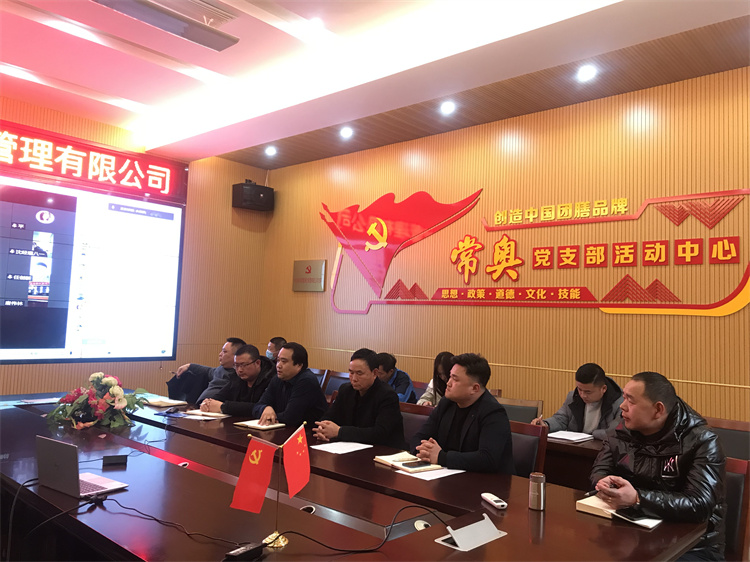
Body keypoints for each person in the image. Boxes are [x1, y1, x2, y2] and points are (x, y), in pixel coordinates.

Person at [591, 372, 725, 560]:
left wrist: (638, 499)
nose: (622, 405)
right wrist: (603, 482)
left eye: (631, 400)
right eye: (624, 397)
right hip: (633, 533)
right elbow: (600, 469)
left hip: (692, 545)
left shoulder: (702, 441)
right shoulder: (622, 430)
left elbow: (700, 504)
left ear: (658, 410)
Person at [411, 353, 514, 473]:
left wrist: (441, 457)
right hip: (446, 475)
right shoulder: (446, 403)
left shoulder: (493, 413)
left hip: (487, 481)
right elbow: (419, 437)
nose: (448, 383)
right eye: (450, 376)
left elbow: (487, 458)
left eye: (455, 379)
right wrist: (424, 451)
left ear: (474, 388)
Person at [313, 351, 406, 448]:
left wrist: (340, 432)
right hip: (348, 447)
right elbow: (329, 417)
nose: (354, 378)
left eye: (359, 373)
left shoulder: (387, 395)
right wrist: (322, 429)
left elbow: (380, 433)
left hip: (384, 450)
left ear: (375, 373)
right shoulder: (345, 390)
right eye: (351, 372)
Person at [531, 362, 622, 440]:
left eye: (588, 392)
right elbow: (561, 419)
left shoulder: (620, 403)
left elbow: (615, 432)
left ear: (603, 389)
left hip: (603, 449)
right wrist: (546, 424)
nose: (582, 395)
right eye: (580, 389)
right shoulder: (573, 396)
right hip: (576, 448)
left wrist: (592, 434)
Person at [253, 342, 327, 427]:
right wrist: (265, 408)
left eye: (284, 361)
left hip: (308, 431)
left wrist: (269, 416)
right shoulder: (277, 378)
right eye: (278, 360)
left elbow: (290, 418)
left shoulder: (307, 381)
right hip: (284, 428)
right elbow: (256, 407)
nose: (278, 365)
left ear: (299, 365)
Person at [200, 344, 274, 416]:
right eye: (236, 365)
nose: (239, 370)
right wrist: (208, 403)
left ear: (257, 363)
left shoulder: (271, 378)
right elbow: (219, 397)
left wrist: (223, 407)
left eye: (243, 365)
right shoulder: (237, 377)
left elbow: (259, 407)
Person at [166, 337, 246, 404]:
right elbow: (208, 370)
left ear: (236, 356)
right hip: (200, 408)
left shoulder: (240, 375)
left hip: (216, 410)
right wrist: (189, 366)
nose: (220, 354)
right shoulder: (220, 369)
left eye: (224, 352)